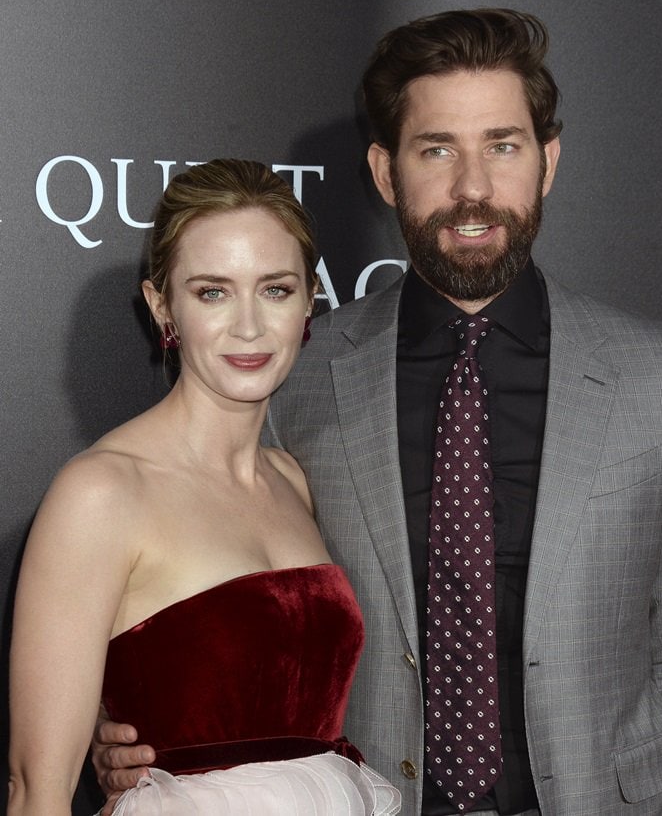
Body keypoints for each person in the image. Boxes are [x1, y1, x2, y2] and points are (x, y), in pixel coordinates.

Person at [93, 8, 662, 816]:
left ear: (548, 161)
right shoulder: (294, 379)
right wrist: (134, 726)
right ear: (385, 173)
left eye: (502, 146)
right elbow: (217, 597)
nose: (473, 187)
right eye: (437, 149)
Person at [8, 158, 401, 816]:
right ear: (162, 304)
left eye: (275, 289)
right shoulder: (102, 492)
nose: (248, 326)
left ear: (310, 298)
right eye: (212, 292)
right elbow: (36, 790)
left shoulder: (292, 480)